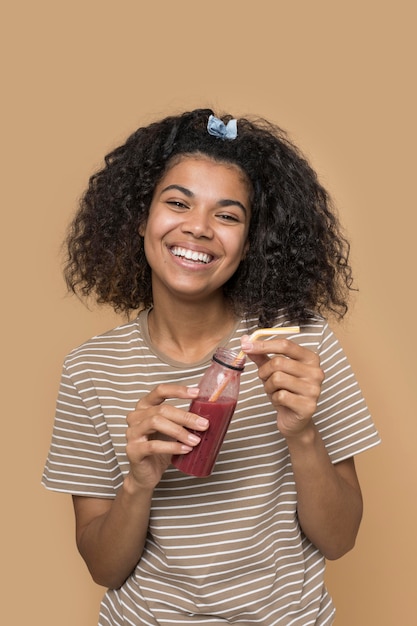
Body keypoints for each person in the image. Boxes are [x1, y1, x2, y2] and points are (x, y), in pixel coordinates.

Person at [42, 108, 380, 625]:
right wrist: (138, 481)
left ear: (250, 242)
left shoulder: (298, 344)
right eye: (178, 203)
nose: (198, 229)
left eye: (227, 215)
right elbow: (104, 569)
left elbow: (340, 539)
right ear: (140, 217)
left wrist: (302, 432)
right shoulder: (90, 369)